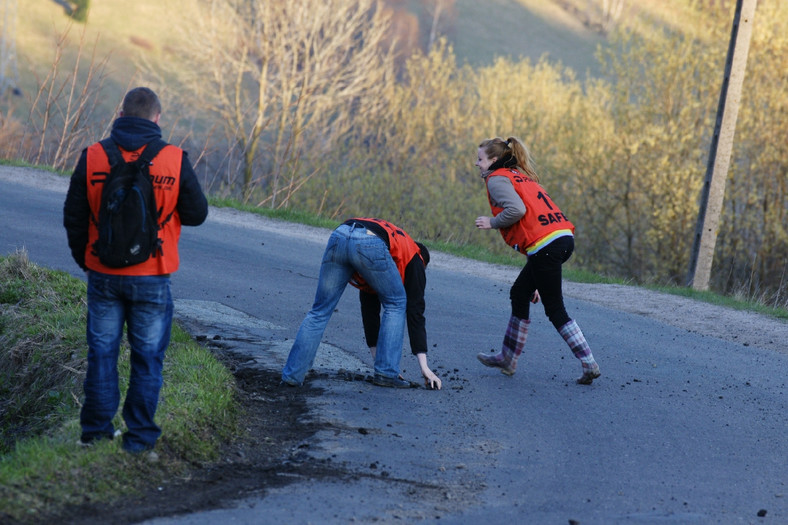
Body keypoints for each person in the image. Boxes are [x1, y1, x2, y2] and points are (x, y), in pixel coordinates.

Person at [63, 87, 209, 453]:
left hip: (103, 274)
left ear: (122, 112)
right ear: (156, 118)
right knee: (147, 359)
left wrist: (88, 261)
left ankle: (95, 434)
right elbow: (197, 214)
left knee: (101, 354)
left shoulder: (93, 155)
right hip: (152, 275)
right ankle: (140, 441)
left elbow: (74, 217)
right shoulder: (174, 158)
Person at [473, 136, 600, 385]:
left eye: (480, 159)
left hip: (546, 246)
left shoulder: (497, 179)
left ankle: (589, 363)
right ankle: (508, 358)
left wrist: (492, 222)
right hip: (561, 238)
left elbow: (517, 211)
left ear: (494, 160)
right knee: (520, 292)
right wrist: (538, 274)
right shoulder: (519, 176)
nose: (476, 164)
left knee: (555, 309)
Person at [281, 218, 442, 390]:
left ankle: (292, 376)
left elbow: (369, 310)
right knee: (396, 302)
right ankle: (387, 373)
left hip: (340, 234)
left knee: (319, 311)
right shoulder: (415, 257)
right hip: (369, 242)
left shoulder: (392, 253)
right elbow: (415, 312)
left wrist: (376, 361)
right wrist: (424, 368)